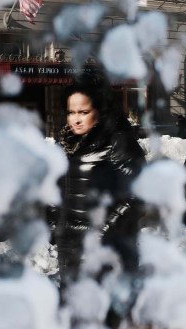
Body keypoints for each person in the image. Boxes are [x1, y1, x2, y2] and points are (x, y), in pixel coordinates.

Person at [50, 71, 146, 287]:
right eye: (71, 112)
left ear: (99, 110)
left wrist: (105, 228)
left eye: (83, 112)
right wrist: (54, 220)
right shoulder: (65, 142)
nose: (75, 119)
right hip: (70, 243)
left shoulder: (117, 139)